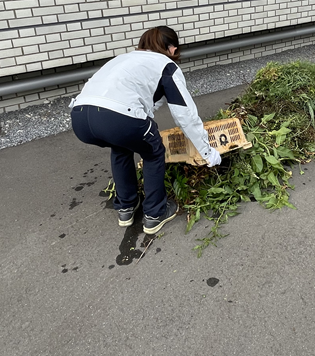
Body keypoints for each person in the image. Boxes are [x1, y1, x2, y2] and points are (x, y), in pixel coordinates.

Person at [70, 26, 221, 235]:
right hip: (116, 117)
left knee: (121, 145)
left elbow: (146, 99)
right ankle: (155, 214)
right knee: (153, 151)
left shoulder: (125, 59)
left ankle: (126, 207)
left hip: (80, 117)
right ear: (172, 49)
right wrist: (207, 152)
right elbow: (185, 114)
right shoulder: (166, 65)